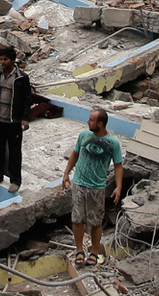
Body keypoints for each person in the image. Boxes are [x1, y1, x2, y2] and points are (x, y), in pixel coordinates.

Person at [58, 108, 125, 265]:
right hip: (79, 183)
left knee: (95, 221)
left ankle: (94, 251)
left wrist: (119, 186)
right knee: (77, 219)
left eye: (91, 120)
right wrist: (67, 172)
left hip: (96, 187)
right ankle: (79, 250)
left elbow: (118, 165)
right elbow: (75, 154)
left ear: (100, 124)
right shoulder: (84, 135)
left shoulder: (113, 143)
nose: (88, 122)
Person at [0, 47, 32, 192]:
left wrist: (25, 118)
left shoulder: (21, 77)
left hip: (13, 121)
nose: (2, 62)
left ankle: (15, 180)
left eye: (5, 59)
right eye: (0, 59)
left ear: (12, 60)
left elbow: (26, 98)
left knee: (14, 152)